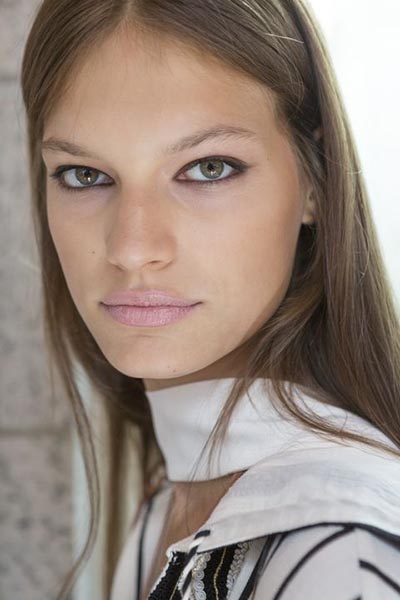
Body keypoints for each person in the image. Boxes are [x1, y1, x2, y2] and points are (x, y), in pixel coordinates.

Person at [20, 0, 400, 599]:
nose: (132, 248)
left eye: (209, 168)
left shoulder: (343, 554)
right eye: (85, 175)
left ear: (316, 179)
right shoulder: (171, 509)